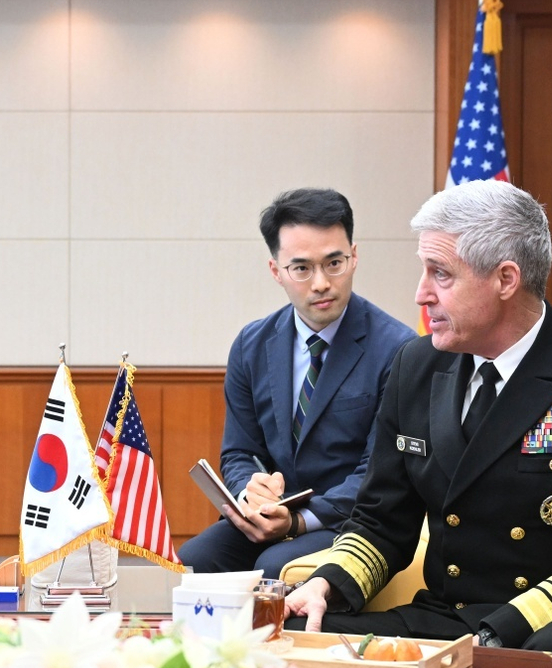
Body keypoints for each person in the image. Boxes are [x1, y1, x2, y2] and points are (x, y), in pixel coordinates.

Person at [285, 179, 552, 659]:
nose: (421, 294)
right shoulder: (416, 364)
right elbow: (382, 521)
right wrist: (325, 584)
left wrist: (498, 633)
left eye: (441, 274)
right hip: (449, 617)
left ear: (506, 279)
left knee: (547, 653)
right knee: (305, 634)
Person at [177, 188, 415, 575]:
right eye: (302, 268)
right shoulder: (251, 345)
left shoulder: (400, 349)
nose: (321, 283)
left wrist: (298, 520)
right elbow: (238, 452)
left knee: (275, 567)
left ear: (354, 257)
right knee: (192, 562)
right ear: (277, 272)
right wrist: (250, 492)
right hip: (270, 515)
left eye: (334, 263)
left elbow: (380, 473)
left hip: (347, 522)